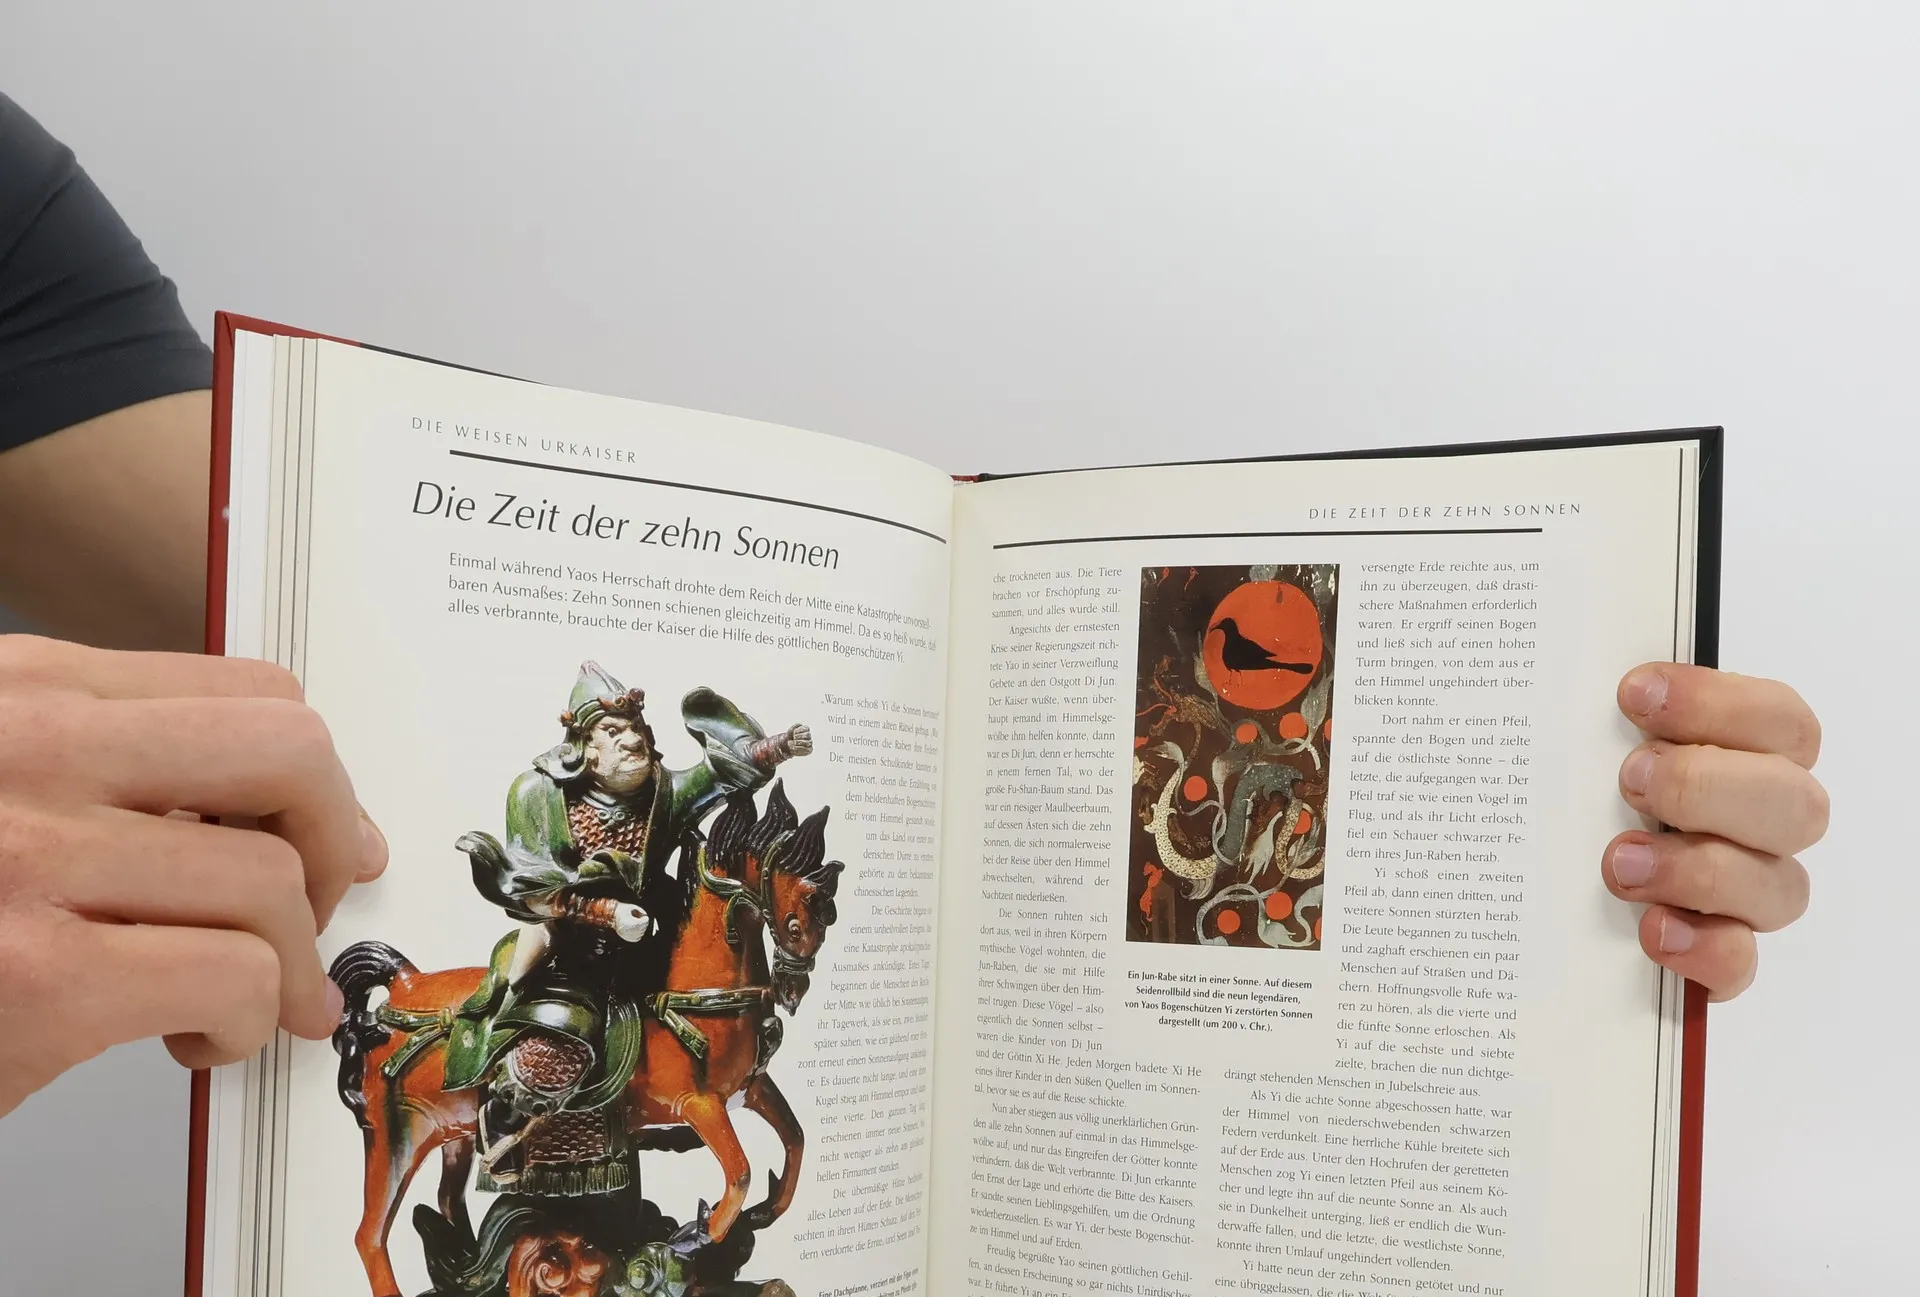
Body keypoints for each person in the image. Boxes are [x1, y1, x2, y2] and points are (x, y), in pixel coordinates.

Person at [0, 93, 1826, 1125]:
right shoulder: (567, 804)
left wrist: (1503, 789)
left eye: (623, 730)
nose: (617, 740)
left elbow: (352, 602)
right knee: (547, 1000)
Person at [447, 663, 812, 1192]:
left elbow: (721, 773)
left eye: (636, 727)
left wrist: (776, 747)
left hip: (654, 946)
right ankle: (504, 1119)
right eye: (613, 731)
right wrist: (607, 915)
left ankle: (662, 1113)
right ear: (584, 745)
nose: (632, 739)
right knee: (558, 1046)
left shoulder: (663, 792)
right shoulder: (537, 794)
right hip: (569, 951)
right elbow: (533, 892)